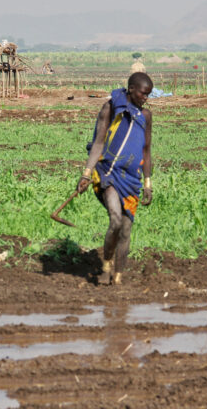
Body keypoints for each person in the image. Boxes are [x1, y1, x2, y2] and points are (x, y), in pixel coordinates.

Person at [77, 72, 153, 285]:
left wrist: (148, 183)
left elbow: (146, 151)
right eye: (142, 93)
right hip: (106, 174)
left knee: (126, 229)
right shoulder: (110, 109)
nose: (145, 98)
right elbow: (99, 143)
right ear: (131, 89)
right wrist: (86, 173)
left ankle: (118, 277)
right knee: (116, 220)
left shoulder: (145, 116)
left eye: (148, 95)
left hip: (131, 179)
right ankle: (106, 265)